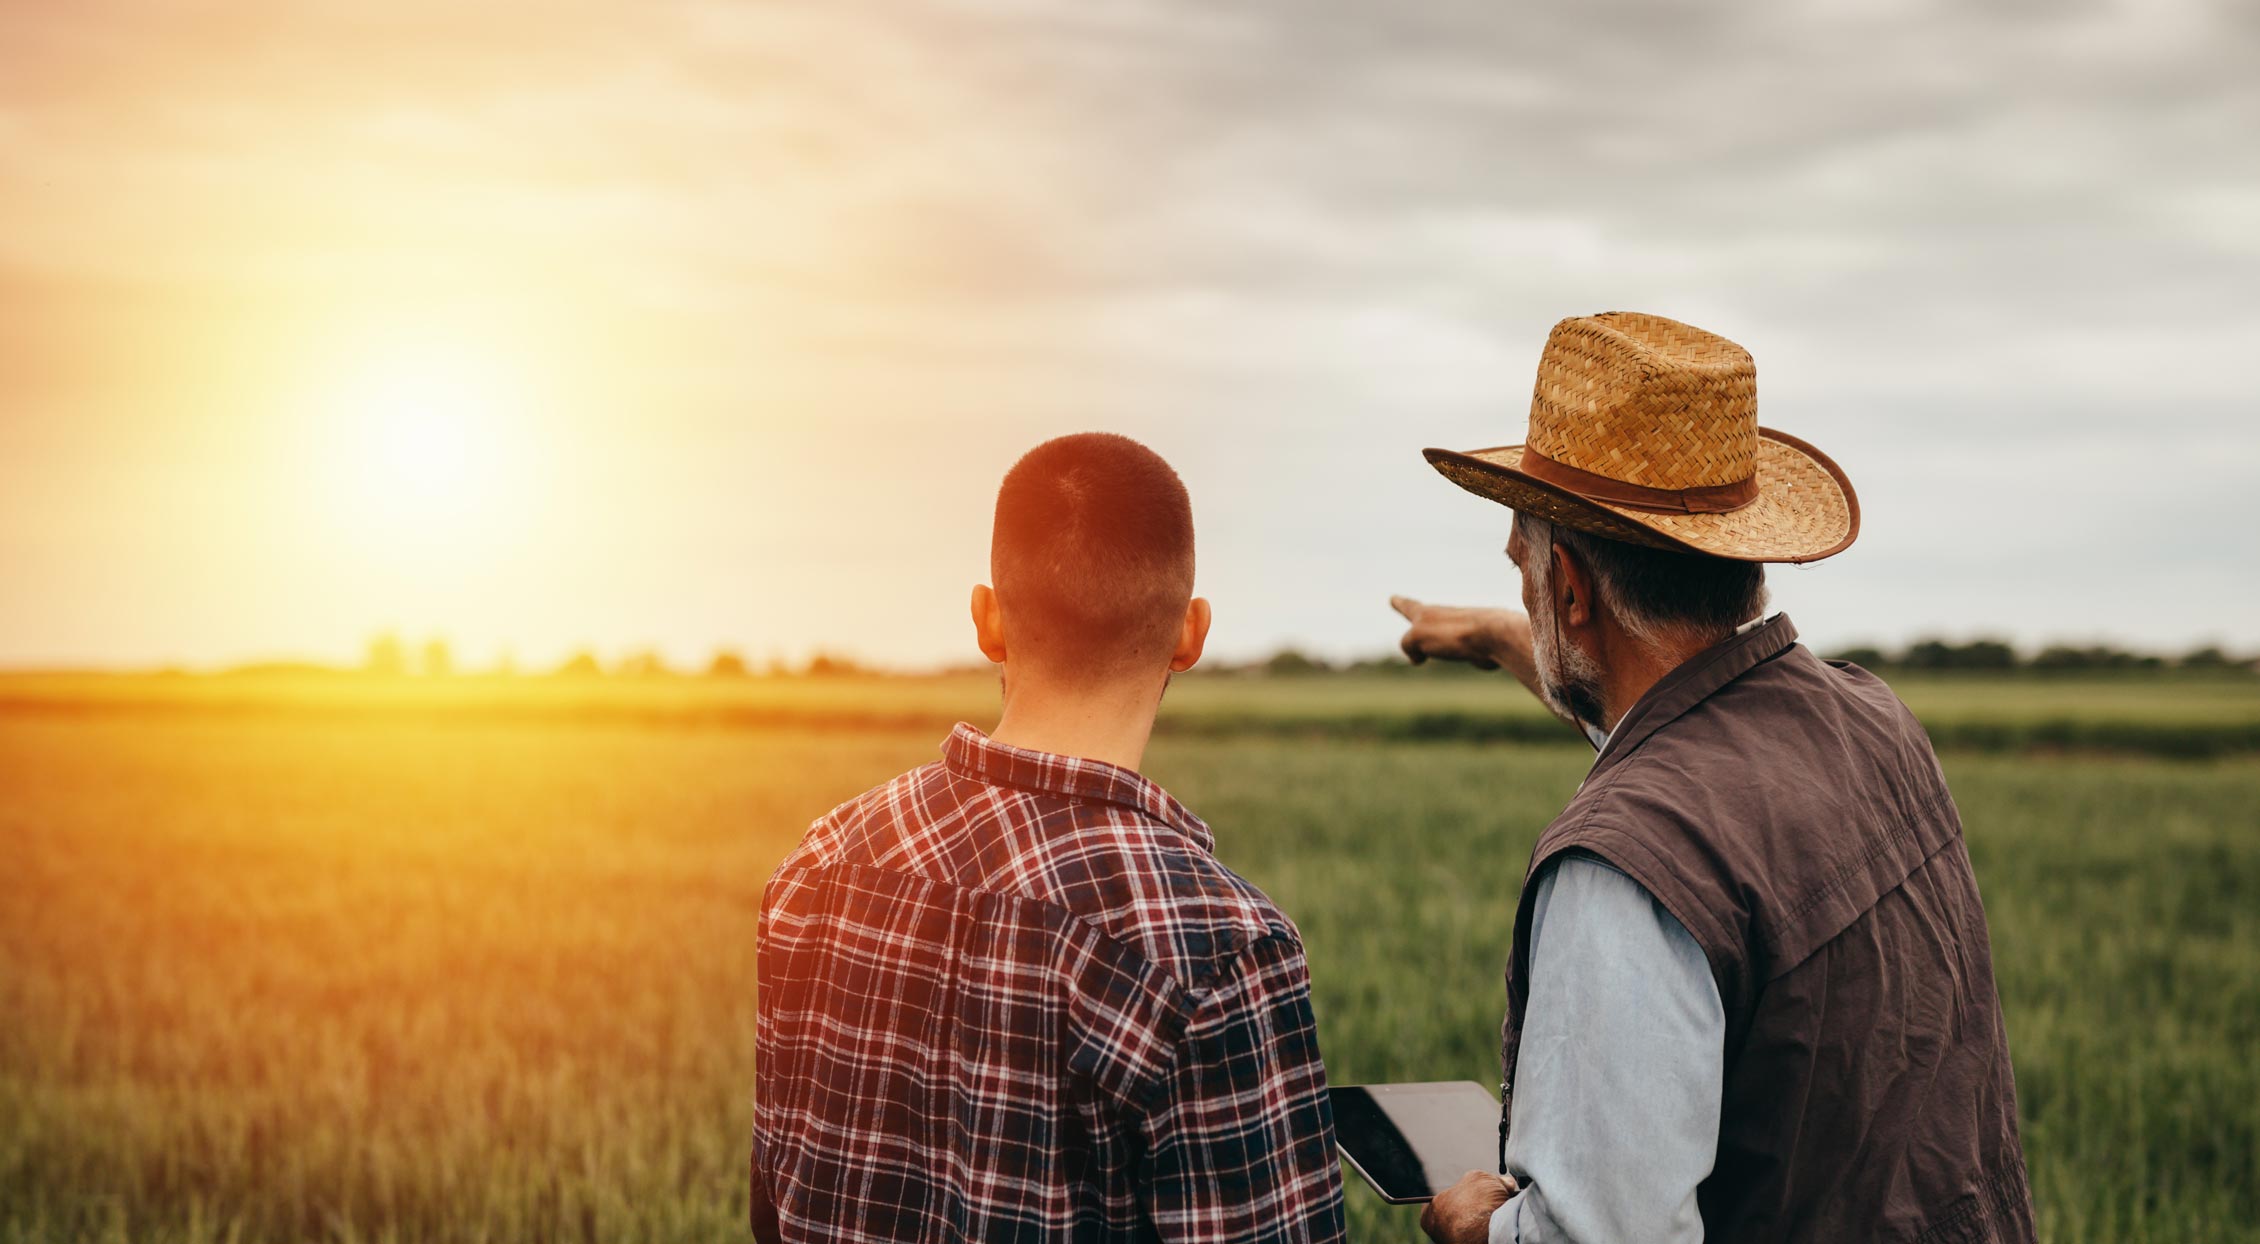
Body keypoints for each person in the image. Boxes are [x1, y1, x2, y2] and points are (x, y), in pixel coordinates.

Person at [1395, 313, 2035, 1243]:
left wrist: (1475, 1230)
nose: (1525, 594)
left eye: (1526, 574)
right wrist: (1505, 638)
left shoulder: (1624, 873)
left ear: (1570, 589)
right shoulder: (1874, 722)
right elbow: (1691, 737)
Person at [751, 433, 1345, 1242]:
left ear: (987, 620)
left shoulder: (817, 869)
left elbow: (772, 1208)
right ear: (1190, 635)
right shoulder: (1218, 951)